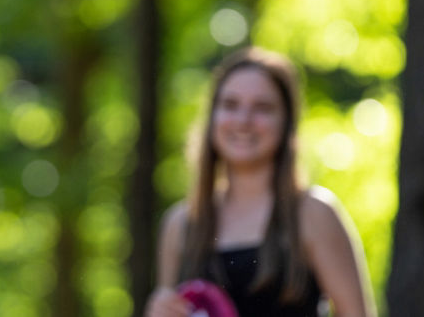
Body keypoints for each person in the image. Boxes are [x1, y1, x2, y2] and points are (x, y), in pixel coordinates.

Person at [145, 47, 375, 317]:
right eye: (230, 105)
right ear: (212, 118)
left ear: (287, 122)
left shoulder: (313, 213)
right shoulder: (182, 224)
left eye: (262, 108)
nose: (243, 120)